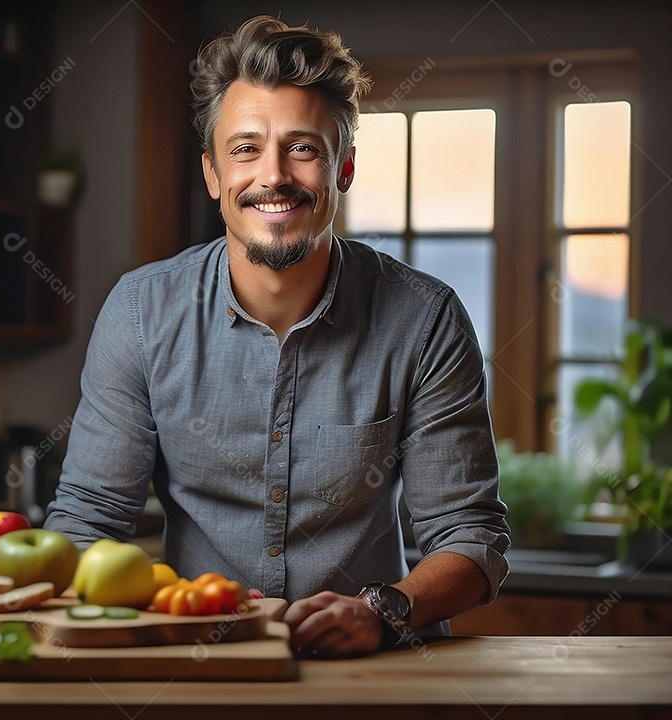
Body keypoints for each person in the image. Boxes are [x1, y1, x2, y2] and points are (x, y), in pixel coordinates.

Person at [44, 15, 510, 657]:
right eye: (245, 149)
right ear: (212, 175)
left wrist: (383, 610)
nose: (274, 176)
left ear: (342, 168)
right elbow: (89, 519)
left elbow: (471, 537)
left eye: (303, 148)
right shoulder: (141, 312)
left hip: (376, 674)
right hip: (197, 668)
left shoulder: (425, 319)